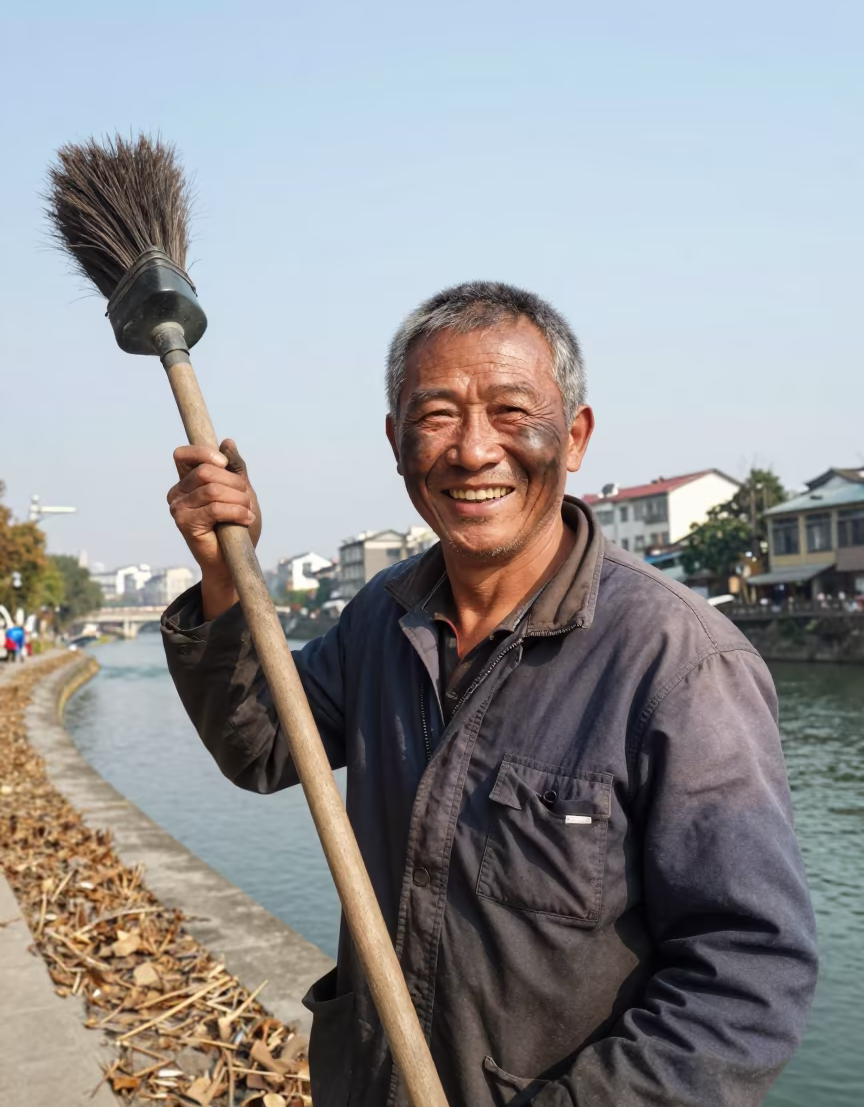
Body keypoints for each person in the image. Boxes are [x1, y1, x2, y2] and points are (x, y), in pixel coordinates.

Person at [161, 282, 817, 1107]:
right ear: (397, 443)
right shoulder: (382, 619)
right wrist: (224, 573)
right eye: (436, 416)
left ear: (574, 437)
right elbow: (259, 745)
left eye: (511, 411)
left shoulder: (678, 662)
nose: (472, 452)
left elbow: (748, 973)